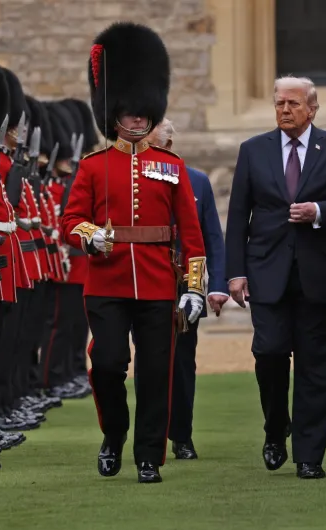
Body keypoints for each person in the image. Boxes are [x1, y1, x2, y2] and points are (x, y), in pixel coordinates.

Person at [61, 22, 207, 484]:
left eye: (144, 112)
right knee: (106, 363)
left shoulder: (172, 167)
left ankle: (148, 456)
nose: (138, 119)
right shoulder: (93, 166)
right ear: (114, 112)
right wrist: (90, 235)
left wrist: (195, 288)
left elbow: (190, 234)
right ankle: (114, 435)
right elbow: (69, 220)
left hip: (159, 283)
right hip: (106, 281)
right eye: (129, 111)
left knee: (156, 374)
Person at [224, 76, 326, 479]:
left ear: (312, 108)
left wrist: (320, 212)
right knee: (269, 353)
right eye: (278, 103)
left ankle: (309, 456)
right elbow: (238, 216)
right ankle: (276, 427)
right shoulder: (254, 151)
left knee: (315, 367)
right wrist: (234, 273)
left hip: (318, 274)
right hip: (267, 272)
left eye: (292, 103)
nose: (284, 110)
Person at [133, 118, 228, 460]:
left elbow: (211, 239)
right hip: (146, 279)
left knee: (183, 361)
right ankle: (150, 436)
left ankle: (181, 435)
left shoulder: (197, 182)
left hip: (186, 282)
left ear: (169, 146)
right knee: (147, 360)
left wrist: (213, 285)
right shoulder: (135, 180)